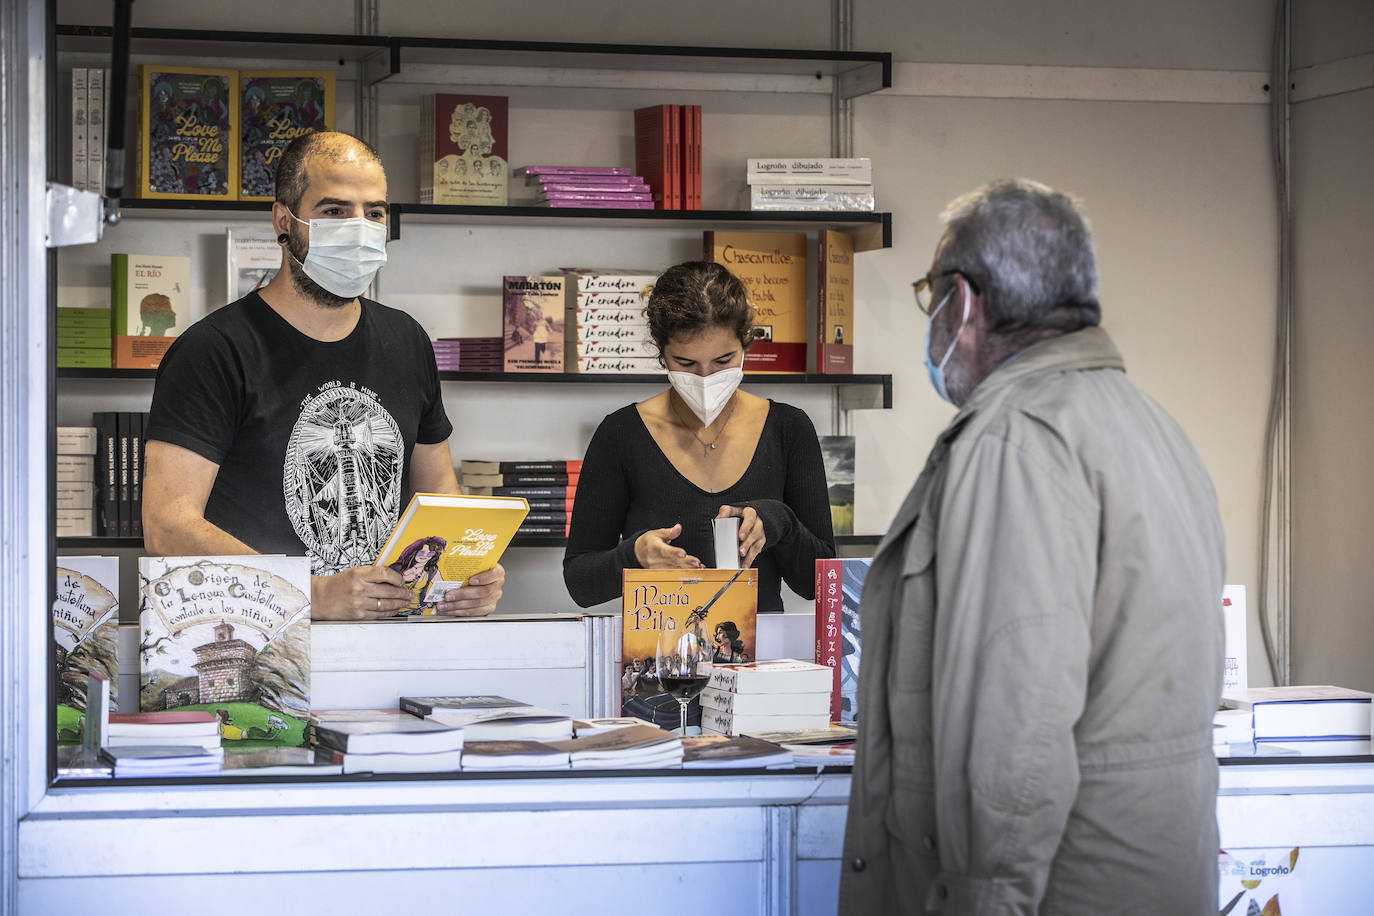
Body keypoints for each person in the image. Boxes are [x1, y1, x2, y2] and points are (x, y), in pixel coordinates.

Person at [839, 179, 1225, 914]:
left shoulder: (1017, 439)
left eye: (931, 298)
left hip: (1051, 893)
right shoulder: (1150, 426)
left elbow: (1012, 728)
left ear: (965, 301)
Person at [142, 131, 505, 621]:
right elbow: (167, 526)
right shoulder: (214, 350)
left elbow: (438, 496)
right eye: (334, 211)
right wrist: (313, 595)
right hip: (257, 641)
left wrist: (464, 573)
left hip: (387, 642)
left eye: (374, 213)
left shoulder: (407, 341)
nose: (359, 228)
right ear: (282, 222)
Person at [562, 261, 835, 611]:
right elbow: (580, 583)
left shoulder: (789, 429)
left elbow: (818, 584)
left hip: (763, 659)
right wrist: (633, 556)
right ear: (661, 352)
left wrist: (778, 521)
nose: (705, 378)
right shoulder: (620, 434)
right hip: (657, 658)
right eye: (686, 364)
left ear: (746, 345)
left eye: (723, 361)